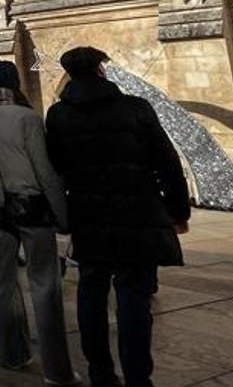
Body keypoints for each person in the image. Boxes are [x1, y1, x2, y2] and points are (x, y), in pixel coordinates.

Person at [46, 47, 190, 387]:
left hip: (87, 214)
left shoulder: (57, 115)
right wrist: (178, 211)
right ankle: (138, 377)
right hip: (136, 213)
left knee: (91, 291)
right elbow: (167, 162)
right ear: (100, 70)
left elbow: (57, 167)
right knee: (134, 296)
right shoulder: (135, 108)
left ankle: (100, 373)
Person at [0, 61, 80, 385]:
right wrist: (62, 214)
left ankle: (12, 354)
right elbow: (45, 171)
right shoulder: (27, 117)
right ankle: (57, 370)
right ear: (16, 83)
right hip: (31, 207)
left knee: (1, 286)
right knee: (45, 287)